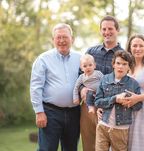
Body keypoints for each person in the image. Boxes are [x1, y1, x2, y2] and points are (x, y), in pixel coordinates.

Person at [30, 23, 81, 151]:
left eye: (65, 37)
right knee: (47, 149)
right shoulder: (43, 59)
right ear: (53, 40)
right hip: (50, 112)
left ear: (72, 39)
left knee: (71, 148)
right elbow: (36, 87)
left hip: (74, 113)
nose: (62, 41)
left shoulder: (80, 59)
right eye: (58, 37)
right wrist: (39, 112)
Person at [79, 15, 123, 151]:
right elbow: (79, 76)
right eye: (104, 29)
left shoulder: (124, 55)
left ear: (117, 30)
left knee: (114, 146)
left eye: (110, 28)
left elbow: (127, 82)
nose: (107, 32)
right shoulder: (91, 52)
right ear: (100, 31)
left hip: (112, 108)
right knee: (89, 144)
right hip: (89, 107)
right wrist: (81, 90)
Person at [95, 50, 142, 151]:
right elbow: (97, 101)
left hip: (121, 129)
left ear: (129, 67)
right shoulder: (104, 79)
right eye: (118, 63)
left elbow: (139, 106)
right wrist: (114, 99)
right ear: (113, 64)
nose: (121, 66)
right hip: (103, 125)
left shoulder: (134, 84)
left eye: (124, 64)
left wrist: (129, 102)